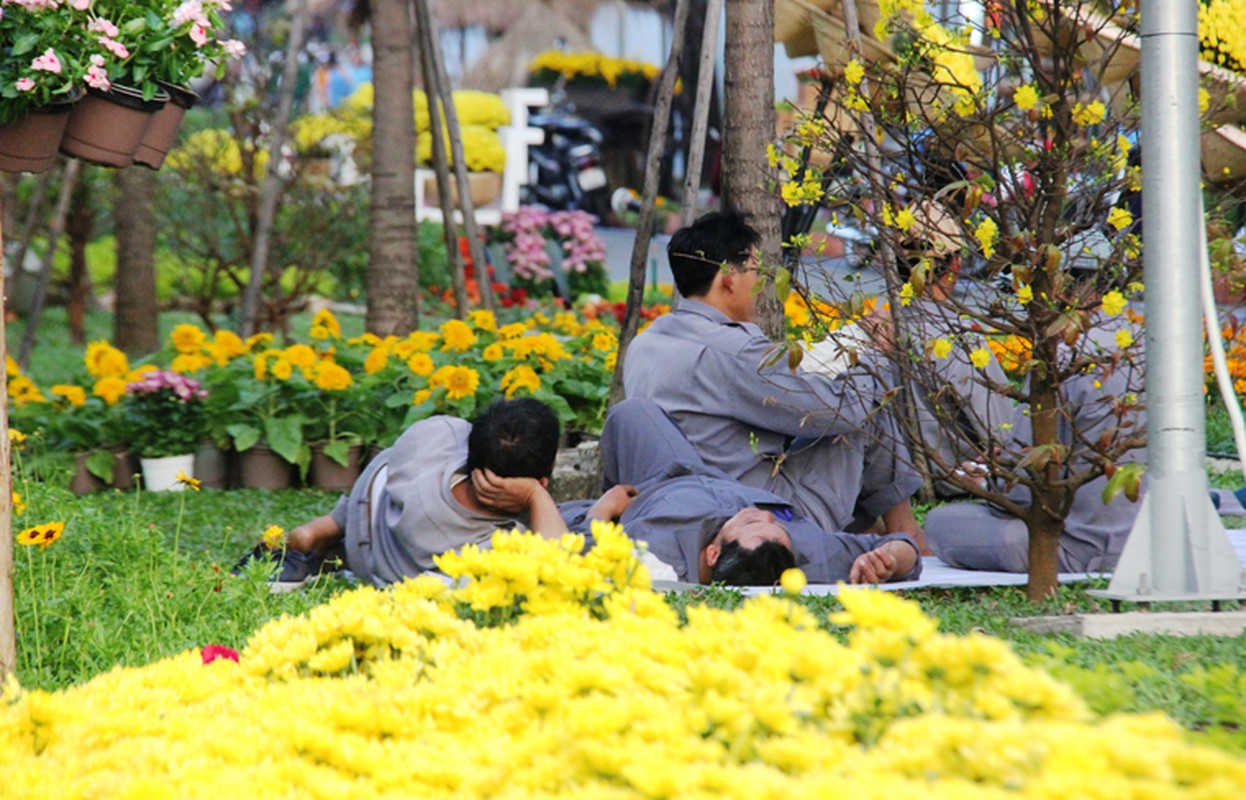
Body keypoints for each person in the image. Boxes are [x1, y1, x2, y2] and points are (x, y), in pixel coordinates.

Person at [622, 210, 925, 547]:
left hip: (679, 508)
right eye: (755, 270)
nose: (761, 284)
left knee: (855, 392)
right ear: (728, 276)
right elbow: (838, 410)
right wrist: (875, 355)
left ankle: (877, 533)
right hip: (757, 516)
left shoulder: (645, 343)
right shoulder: (733, 352)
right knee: (864, 401)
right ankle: (908, 533)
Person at [922, 261, 1148, 573]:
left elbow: (1023, 491)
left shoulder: (1059, 357)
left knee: (940, 523)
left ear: (1055, 290)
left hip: (1082, 548)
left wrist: (985, 480)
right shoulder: (1150, 345)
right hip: (1159, 542)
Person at [561, 400, 922, 586]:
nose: (763, 514)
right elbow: (906, 548)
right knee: (637, 411)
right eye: (772, 523)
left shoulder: (659, 556)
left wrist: (605, 510)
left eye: (751, 521)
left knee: (630, 414)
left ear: (714, 553)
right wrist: (890, 557)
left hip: (656, 485)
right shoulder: (806, 554)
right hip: (705, 473)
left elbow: (576, 556)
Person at [266, 398, 577, 587]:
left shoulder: (436, 432)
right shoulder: (495, 547)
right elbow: (561, 567)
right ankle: (336, 537)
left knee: (389, 485)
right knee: (580, 523)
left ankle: (328, 526)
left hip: (372, 498)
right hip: (380, 564)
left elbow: (456, 435)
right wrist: (536, 497)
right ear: (542, 479)